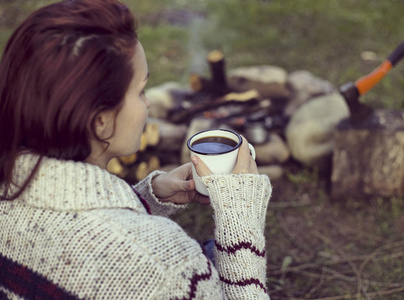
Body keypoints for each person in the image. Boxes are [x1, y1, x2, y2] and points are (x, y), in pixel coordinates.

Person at [0, 0, 272, 299]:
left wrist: (143, 199)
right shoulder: (166, 267)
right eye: (141, 89)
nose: (148, 103)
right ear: (101, 121)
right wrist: (242, 223)